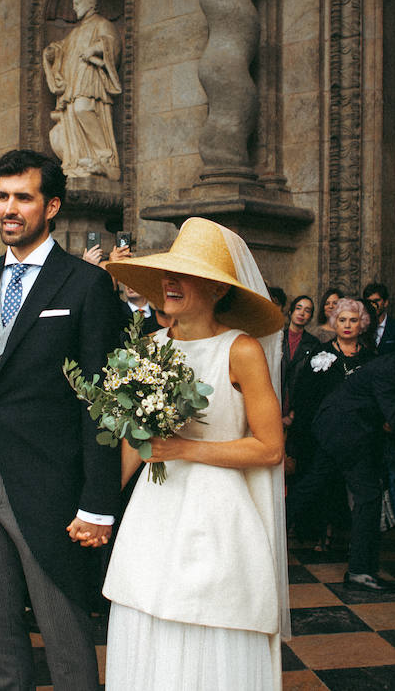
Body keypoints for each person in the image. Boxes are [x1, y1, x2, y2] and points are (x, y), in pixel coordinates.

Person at [0, 149, 127, 691]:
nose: (8, 208)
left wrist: (97, 503)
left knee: (65, 636)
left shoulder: (84, 285)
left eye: (22, 197)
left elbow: (101, 401)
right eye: (2, 196)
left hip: (49, 485)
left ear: (52, 205)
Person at [102, 217, 288, 688]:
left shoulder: (240, 350)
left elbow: (269, 448)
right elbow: (133, 439)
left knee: (209, 615)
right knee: (146, 607)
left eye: (184, 273)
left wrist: (185, 448)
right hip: (153, 510)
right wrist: (99, 509)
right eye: (169, 272)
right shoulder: (148, 347)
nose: (169, 281)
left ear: (219, 289)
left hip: (217, 511)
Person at [311, 323, 395, 592]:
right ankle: (359, 572)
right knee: (367, 495)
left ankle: (362, 569)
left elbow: (390, 422)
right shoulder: (389, 370)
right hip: (343, 431)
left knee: (315, 488)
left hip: (351, 430)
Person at [285, 299, 372, 550]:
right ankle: (291, 534)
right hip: (323, 435)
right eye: (342, 320)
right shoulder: (320, 354)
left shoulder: (369, 358)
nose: (347, 325)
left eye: (353, 320)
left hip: (357, 437)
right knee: (312, 486)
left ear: (362, 324)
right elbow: (304, 396)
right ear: (334, 322)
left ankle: (353, 545)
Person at [43, 0, 123, 179]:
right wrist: (52, 52)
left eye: (78, 3)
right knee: (71, 117)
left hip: (90, 78)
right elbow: (63, 49)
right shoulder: (75, 32)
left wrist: (94, 48)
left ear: (90, 4)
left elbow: (112, 44)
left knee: (83, 109)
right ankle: (81, 158)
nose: (74, 7)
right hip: (73, 82)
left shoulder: (102, 24)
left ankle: (104, 156)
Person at [280, 294, 321, 401]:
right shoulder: (278, 339)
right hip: (276, 396)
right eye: (298, 308)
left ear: (310, 317)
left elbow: (312, 381)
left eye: (307, 311)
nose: (301, 313)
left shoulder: (314, 344)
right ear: (290, 312)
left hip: (299, 400)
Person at [364, 282, 395, 356]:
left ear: (386, 302)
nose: (373, 305)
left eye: (376, 301)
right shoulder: (361, 327)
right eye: (369, 302)